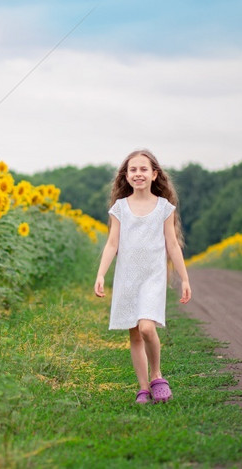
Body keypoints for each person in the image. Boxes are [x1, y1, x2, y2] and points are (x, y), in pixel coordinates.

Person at [94, 149, 192, 404]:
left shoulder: (164, 208)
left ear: (154, 174)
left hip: (153, 277)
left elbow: (172, 244)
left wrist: (184, 278)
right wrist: (101, 274)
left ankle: (156, 374)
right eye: (133, 170)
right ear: (126, 176)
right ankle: (143, 388)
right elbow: (112, 244)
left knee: (148, 328)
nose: (138, 174)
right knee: (135, 333)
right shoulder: (119, 208)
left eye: (143, 169)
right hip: (127, 278)